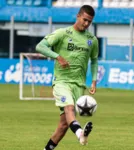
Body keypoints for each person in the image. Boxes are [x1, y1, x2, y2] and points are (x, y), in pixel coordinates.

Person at [35, 5, 98, 150]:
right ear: (78, 16)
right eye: (85, 20)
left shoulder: (92, 40)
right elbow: (41, 46)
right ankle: (80, 133)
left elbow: (94, 60)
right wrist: (57, 57)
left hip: (79, 85)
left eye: (90, 21)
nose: (87, 24)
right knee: (69, 108)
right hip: (62, 82)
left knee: (64, 124)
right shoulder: (63, 33)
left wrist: (94, 80)